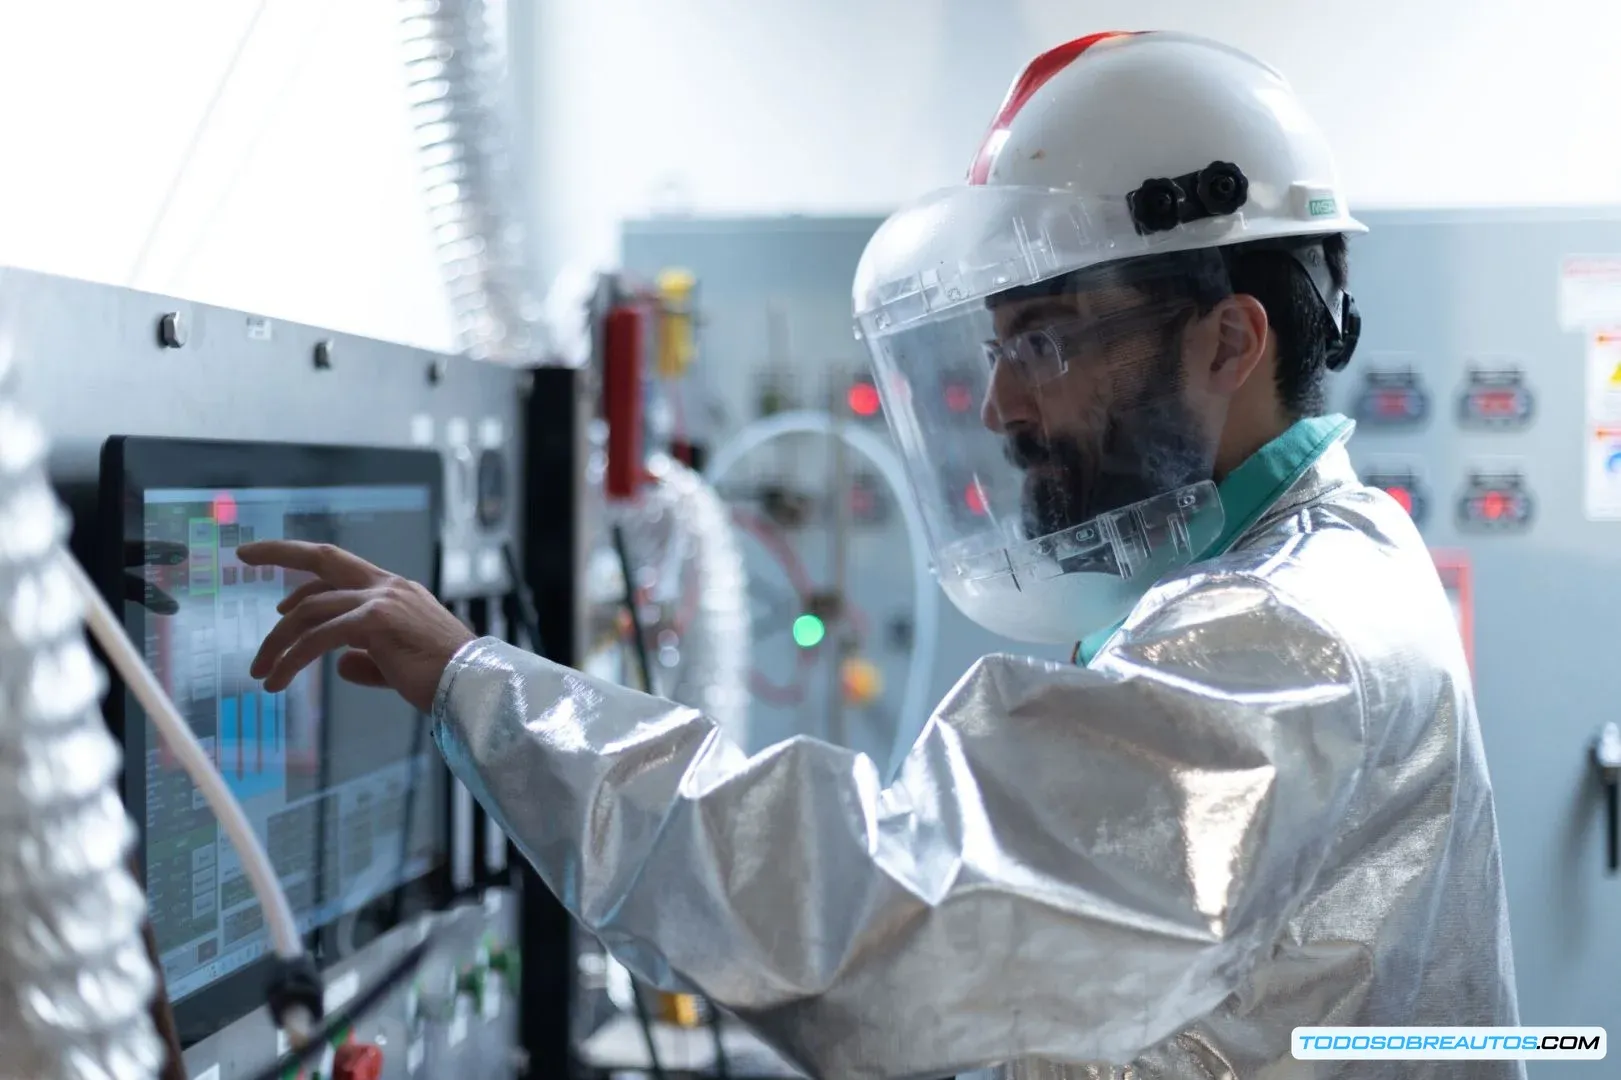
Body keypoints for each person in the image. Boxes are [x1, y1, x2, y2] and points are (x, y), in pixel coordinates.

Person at [237, 31, 1521, 1080]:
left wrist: (482, 686)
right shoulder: (1302, 572)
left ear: (1228, 343)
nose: (1005, 408)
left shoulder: (1285, 639)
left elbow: (900, 925)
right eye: (1001, 347)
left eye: (1049, 341)